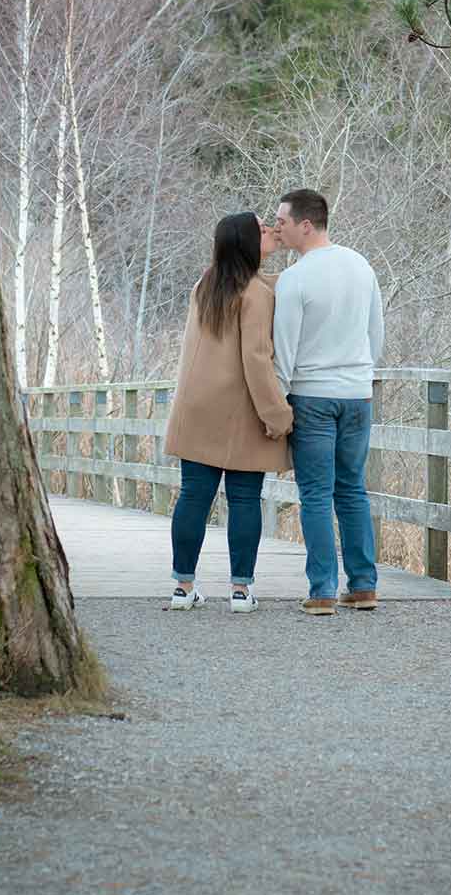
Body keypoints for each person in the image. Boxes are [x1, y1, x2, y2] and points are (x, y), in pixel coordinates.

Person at [161, 213, 292, 613]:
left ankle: (183, 588)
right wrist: (278, 415)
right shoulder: (255, 293)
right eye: (263, 229)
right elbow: (257, 360)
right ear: (248, 243)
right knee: (245, 498)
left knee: (194, 497)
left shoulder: (207, 283)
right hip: (240, 411)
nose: (270, 231)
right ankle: (240, 590)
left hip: (197, 407)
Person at [271, 188, 385, 615]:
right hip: (357, 393)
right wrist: (360, 373)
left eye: (282, 220)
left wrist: (280, 400)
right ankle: (363, 586)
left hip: (312, 394)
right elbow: (376, 332)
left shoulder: (295, 278)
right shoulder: (361, 265)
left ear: (305, 223)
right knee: (352, 489)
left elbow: (284, 349)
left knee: (316, 493)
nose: (277, 227)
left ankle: (322, 590)